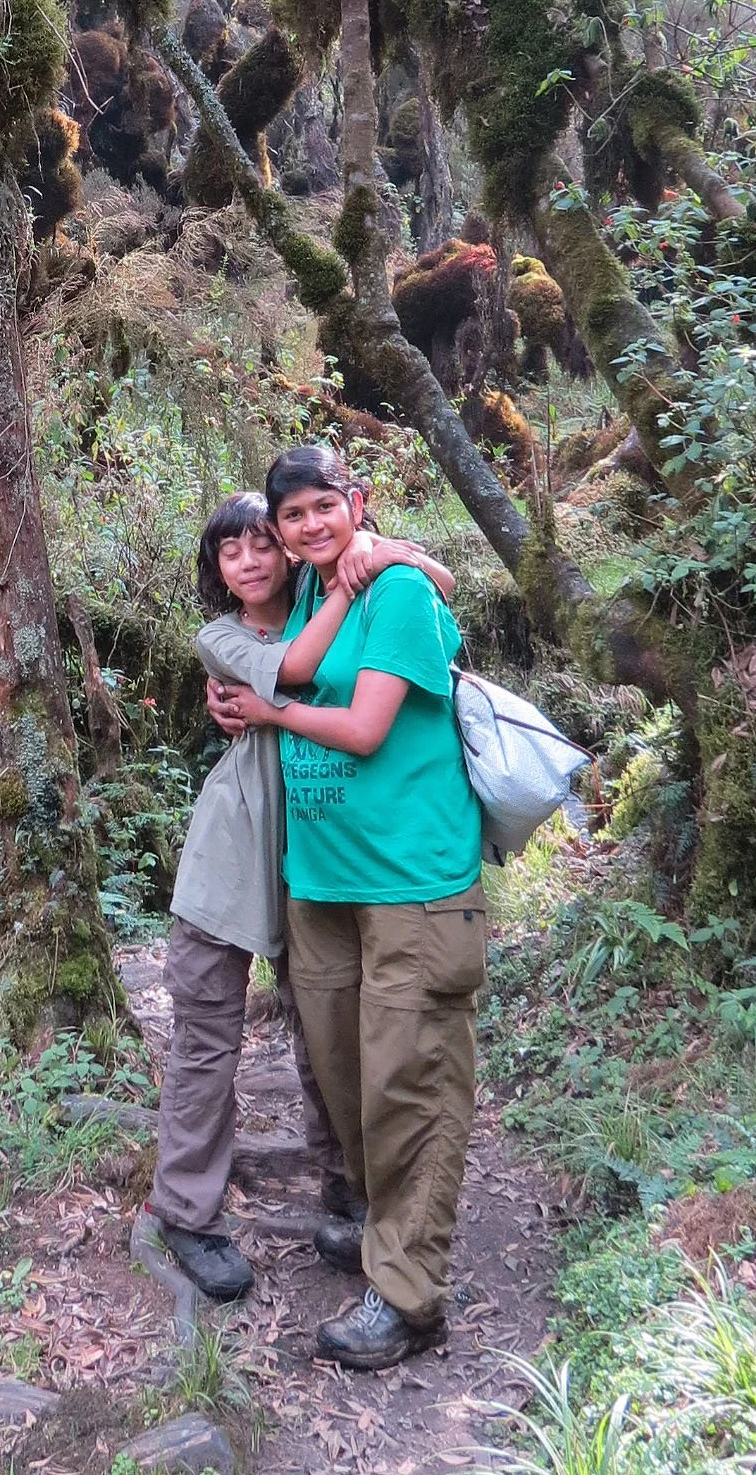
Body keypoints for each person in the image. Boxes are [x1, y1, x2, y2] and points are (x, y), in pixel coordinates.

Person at [208, 443, 484, 1372]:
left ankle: (408, 1295)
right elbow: (271, 667)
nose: (310, 526)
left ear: (354, 504)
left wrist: (271, 712)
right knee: (344, 1071)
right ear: (280, 535)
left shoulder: (398, 590)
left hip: (412, 880)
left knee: (410, 1078)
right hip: (322, 884)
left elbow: (365, 729)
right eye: (294, 517)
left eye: (325, 507)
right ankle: (376, 1224)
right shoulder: (310, 605)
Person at [152, 488, 455, 1304]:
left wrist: (388, 554)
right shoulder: (221, 638)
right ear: (215, 570)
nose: (250, 562)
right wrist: (360, 573)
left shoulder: (331, 600)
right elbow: (294, 670)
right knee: (206, 1037)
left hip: (322, 862)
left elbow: (432, 587)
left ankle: (349, 1194)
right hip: (228, 862)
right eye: (231, 551)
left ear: (290, 549)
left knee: (325, 1036)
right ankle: (187, 1211)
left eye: (262, 544)